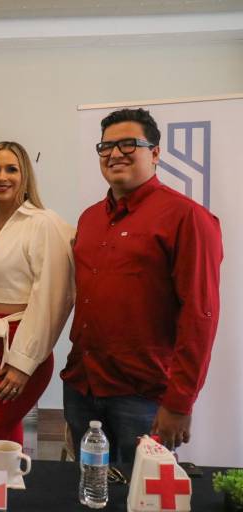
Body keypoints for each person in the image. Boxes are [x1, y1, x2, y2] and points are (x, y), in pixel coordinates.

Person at [62, 108, 223, 464]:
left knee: (142, 490)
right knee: (86, 487)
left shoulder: (187, 217)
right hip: (81, 385)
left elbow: (200, 315)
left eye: (128, 144)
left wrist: (179, 403)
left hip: (142, 396)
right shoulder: (90, 218)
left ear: (155, 153)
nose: (114, 154)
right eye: (106, 146)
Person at [0, 141, 75, 458]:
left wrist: (23, 364)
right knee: (2, 438)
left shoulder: (43, 223)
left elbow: (53, 299)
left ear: (25, 176)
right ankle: (9, 486)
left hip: (19, 346)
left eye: (11, 169)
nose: (1, 177)